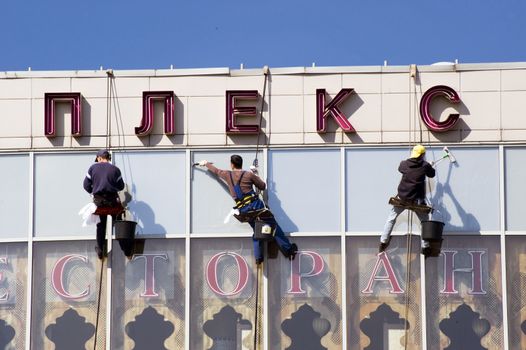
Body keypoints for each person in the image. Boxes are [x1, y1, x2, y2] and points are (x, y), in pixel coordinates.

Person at [198, 155, 297, 264]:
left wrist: (206, 163)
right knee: (273, 226)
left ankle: (259, 258)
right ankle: (289, 250)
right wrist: (255, 174)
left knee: (257, 230)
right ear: (241, 164)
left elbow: (216, 171)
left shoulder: (227, 174)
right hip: (255, 205)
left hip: (244, 210)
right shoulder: (248, 175)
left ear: (232, 164)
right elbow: (263, 186)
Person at [380, 145, 436, 254]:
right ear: (422, 155)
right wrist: (430, 165)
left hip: (402, 198)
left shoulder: (404, 164)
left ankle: (383, 240)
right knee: (424, 222)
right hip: (416, 201)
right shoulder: (425, 165)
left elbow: (401, 169)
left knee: (391, 218)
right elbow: (432, 174)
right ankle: (425, 246)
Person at [83, 149, 127, 259]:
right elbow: (121, 186)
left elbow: (86, 185)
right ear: (108, 158)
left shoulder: (93, 168)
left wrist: (93, 191)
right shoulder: (115, 169)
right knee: (118, 223)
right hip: (112, 202)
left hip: (99, 202)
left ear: (99, 158)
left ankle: (100, 249)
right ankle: (124, 248)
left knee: (101, 225)